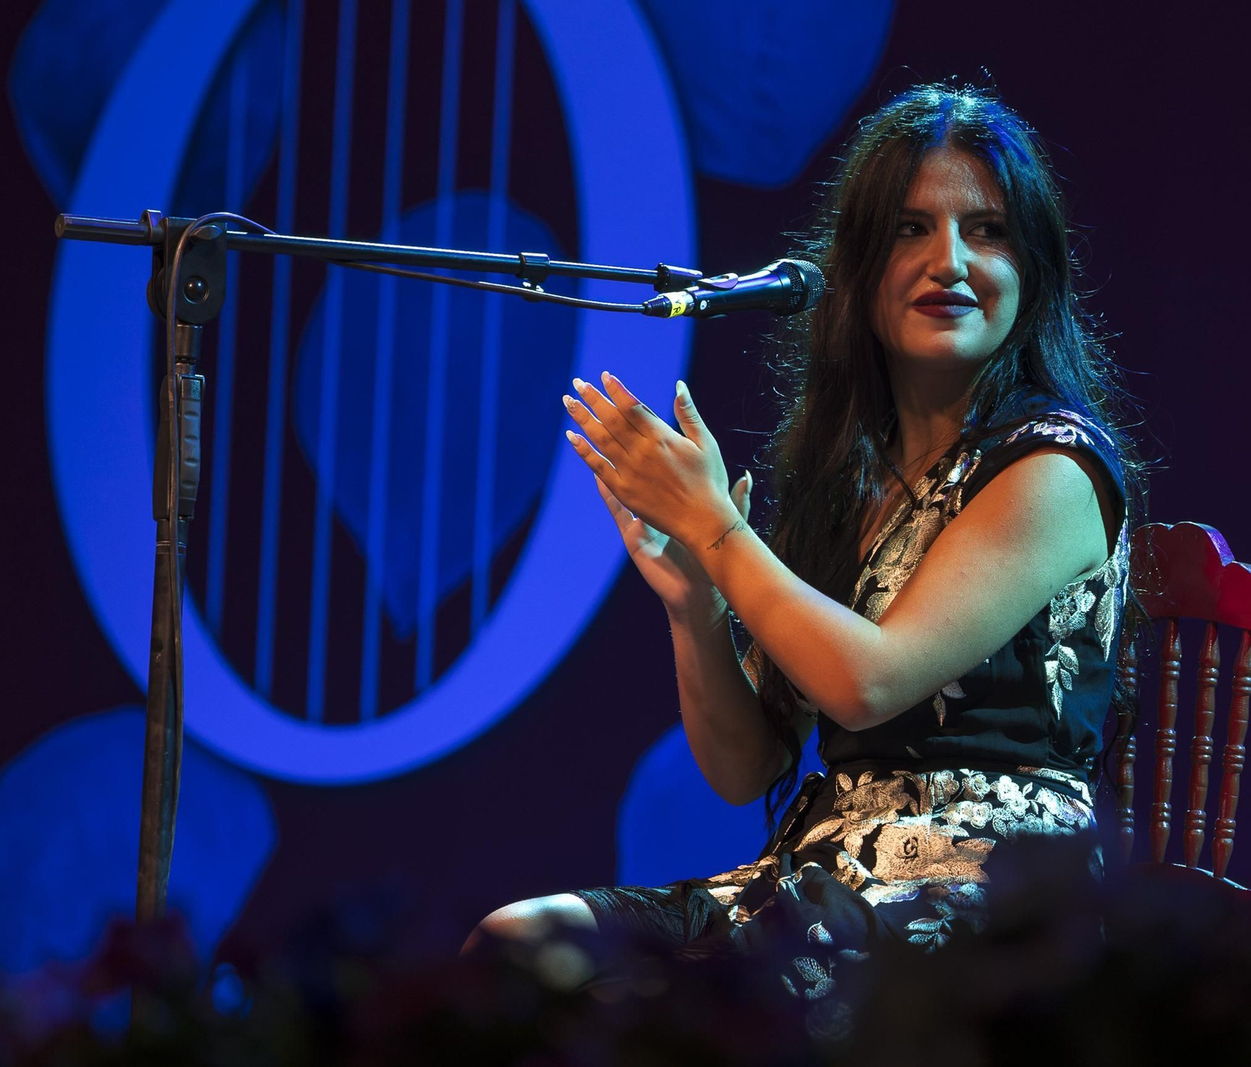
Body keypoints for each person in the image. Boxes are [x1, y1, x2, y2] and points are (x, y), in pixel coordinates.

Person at [465, 83, 1144, 1015]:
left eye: (986, 231)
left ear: (1031, 269)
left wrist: (720, 529)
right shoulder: (851, 478)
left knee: (668, 1012)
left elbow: (868, 681)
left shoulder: (1054, 467)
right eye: (910, 229)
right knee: (518, 943)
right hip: (826, 876)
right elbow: (746, 765)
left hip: (986, 893)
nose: (949, 261)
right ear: (857, 271)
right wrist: (695, 600)